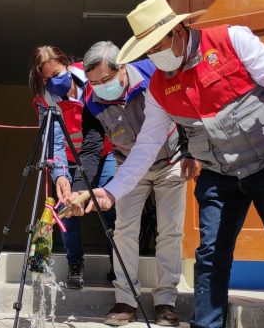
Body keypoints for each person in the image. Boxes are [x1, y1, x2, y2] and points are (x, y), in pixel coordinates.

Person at [66, 0, 264, 328]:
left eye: (158, 45)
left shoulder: (232, 39)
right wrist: (109, 193)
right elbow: (146, 145)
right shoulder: (158, 87)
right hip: (219, 174)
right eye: (148, 49)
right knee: (210, 256)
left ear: (179, 31)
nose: (155, 55)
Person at [71, 41, 196, 326]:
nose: (101, 87)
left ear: (123, 68)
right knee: (124, 231)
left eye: (106, 79)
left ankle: (166, 302)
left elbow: (185, 107)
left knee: (170, 232)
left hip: (171, 161)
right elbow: (91, 149)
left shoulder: (154, 72)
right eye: (93, 82)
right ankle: (126, 301)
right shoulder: (92, 102)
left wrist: (190, 151)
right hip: (128, 167)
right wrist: (81, 188)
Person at [28, 45, 117, 289]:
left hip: (104, 152)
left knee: (109, 207)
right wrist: (60, 176)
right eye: (45, 79)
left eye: (56, 74)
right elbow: (54, 141)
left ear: (67, 64)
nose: (51, 82)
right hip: (68, 159)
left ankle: (118, 266)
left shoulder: (91, 79)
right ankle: (75, 264)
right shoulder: (44, 99)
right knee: (68, 208)